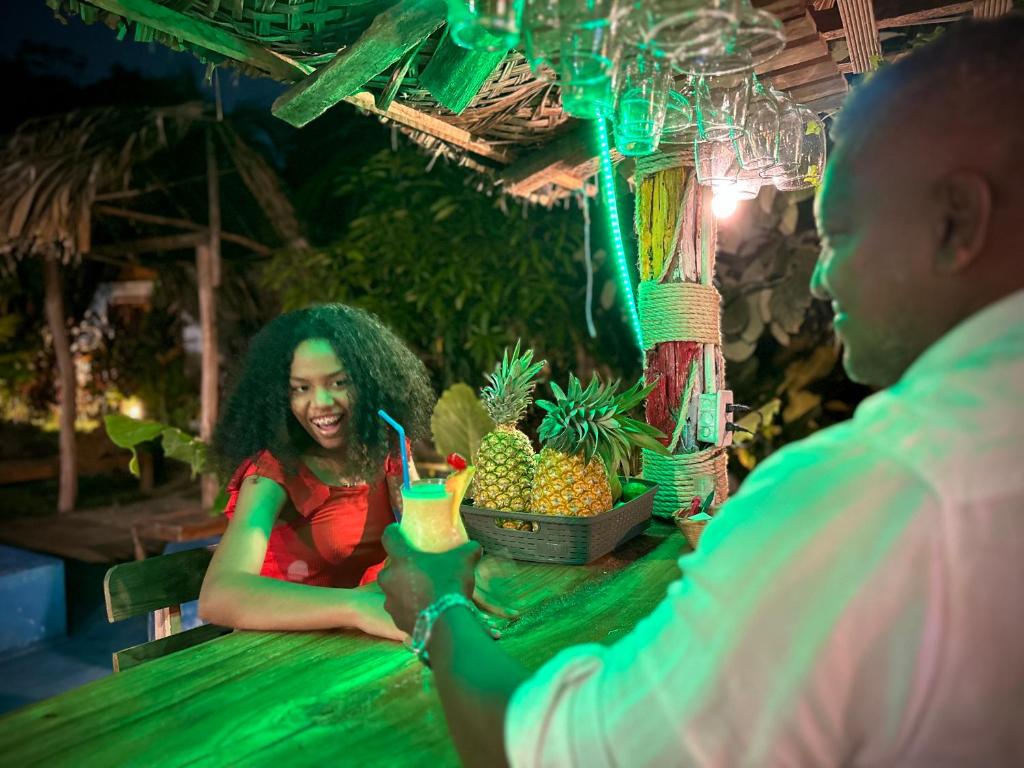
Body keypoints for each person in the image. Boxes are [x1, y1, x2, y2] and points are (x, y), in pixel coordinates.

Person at [377, 16, 1024, 766]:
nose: (821, 276)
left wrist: (438, 609)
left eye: (841, 233)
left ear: (958, 220)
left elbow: (555, 751)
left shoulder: (876, 490)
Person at [198, 304, 434, 641]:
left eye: (339, 382)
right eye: (300, 388)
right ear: (280, 396)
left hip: (360, 645)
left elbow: (425, 535)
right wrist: (355, 607)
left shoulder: (389, 449)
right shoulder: (272, 473)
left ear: (370, 382)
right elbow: (219, 596)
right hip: (281, 653)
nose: (321, 402)